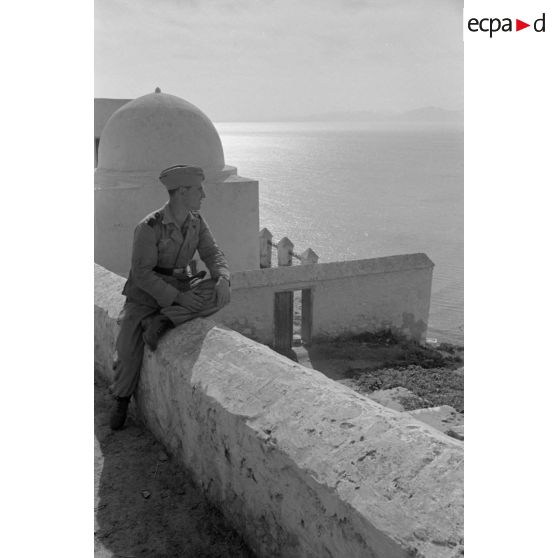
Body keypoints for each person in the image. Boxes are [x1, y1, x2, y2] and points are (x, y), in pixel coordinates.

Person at [109, 164, 231, 430]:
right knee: (128, 351)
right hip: (146, 295)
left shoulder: (196, 221)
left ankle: (163, 320)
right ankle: (120, 399)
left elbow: (212, 252)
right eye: (198, 189)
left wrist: (222, 276)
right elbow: (141, 273)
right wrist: (178, 298)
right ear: (182, 191)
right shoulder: (149, 227)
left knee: (220, 293)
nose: (203, 195)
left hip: (181, 286)